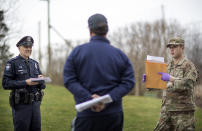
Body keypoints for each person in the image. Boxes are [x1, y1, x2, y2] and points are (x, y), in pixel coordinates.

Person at [63, 13, 135, 131]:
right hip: (113, 116)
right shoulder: (119, 54)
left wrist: (90, 99)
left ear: (90, 30)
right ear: (107, 30)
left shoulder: (77, 52)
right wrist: (107, 99)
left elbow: (69, 80)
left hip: (86, 114)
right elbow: (128, 82)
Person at [143, 37, 198, 130]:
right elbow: (160, 83)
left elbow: (189, 85)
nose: (171, 49)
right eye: (170, 47)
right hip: (166, 111)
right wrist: (149, 81)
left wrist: (171, 79)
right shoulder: (167, 65)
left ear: (182, 48)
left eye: (174, 46)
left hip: (183, 113)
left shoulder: (189, 65)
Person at [2, 36, 46, 131]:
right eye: (26, 46)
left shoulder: (35, 63)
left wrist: (41, 80)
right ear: (19, 47)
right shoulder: (12, 63)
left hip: (35, 105)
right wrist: (25, 82)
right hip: (21, 105)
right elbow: (5, 83)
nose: (29, 49)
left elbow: (43, 86)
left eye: (30, 46)